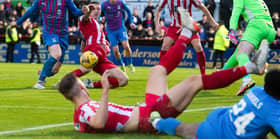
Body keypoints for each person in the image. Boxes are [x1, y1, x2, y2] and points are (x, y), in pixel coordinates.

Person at [58, 13, 267, 135]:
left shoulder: (82, 110)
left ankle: (187, 32)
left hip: (145, 109)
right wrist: (104, 90)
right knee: (194, 81)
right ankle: (250, 68)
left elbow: (85, 126)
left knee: (157, 70)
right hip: (149, 118)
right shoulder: (84, 110)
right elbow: (98, 123)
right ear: (81, 87)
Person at [150, 63, 280, 139]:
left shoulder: (256, 90)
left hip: (221, 117)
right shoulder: (273, 111)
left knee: (183, 128)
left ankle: (158, 122)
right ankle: (155, 123)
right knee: (182, 130)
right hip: (218, 134)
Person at [11, 0, 85, 89]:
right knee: (57, 54)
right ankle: (40, 81)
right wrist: (18, 22)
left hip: (63, 34)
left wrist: (84, 11)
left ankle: (43, 72)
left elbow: (75, 12)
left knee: (54, 70)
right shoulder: (40, 0)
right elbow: (29, 12)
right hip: (49, 32)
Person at [222, 0, 276, 96]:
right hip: (270, 30)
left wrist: (231, 31)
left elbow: (235, 15)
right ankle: (221, 75)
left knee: (242, 54)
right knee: (238, 54)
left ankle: (247, 80)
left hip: (256, 26)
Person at [155, 0, 217, 75]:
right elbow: (158, 9)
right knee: (165, 46)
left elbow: (203, 8)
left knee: (198, 47)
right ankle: (160, 71)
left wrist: (212, 22)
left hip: (188, 26)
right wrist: (157, 24)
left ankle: (203, 74)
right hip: (174, 26)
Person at [70, 1, 128, 89]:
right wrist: (88, 11)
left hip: (102, 57)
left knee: (123, 80)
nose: (96, 11)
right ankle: (64, 82)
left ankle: (90, 84)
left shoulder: (97, 24)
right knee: (86, 69)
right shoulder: (84, 19)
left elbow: (84, 39)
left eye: (98, 9)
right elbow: (85, 17)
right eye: (94, 9)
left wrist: (105, 46)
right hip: (93, 50)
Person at [101, 0, 136, 73]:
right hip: (110, 30)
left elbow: (128, 11)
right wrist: (100, 19)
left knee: (126, 46)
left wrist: (131, 22)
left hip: (121, 28)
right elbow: (99, 14)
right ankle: (122, 65)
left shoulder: (120, 3)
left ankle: (130, 64)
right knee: (115, 51)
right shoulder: (104, 5)